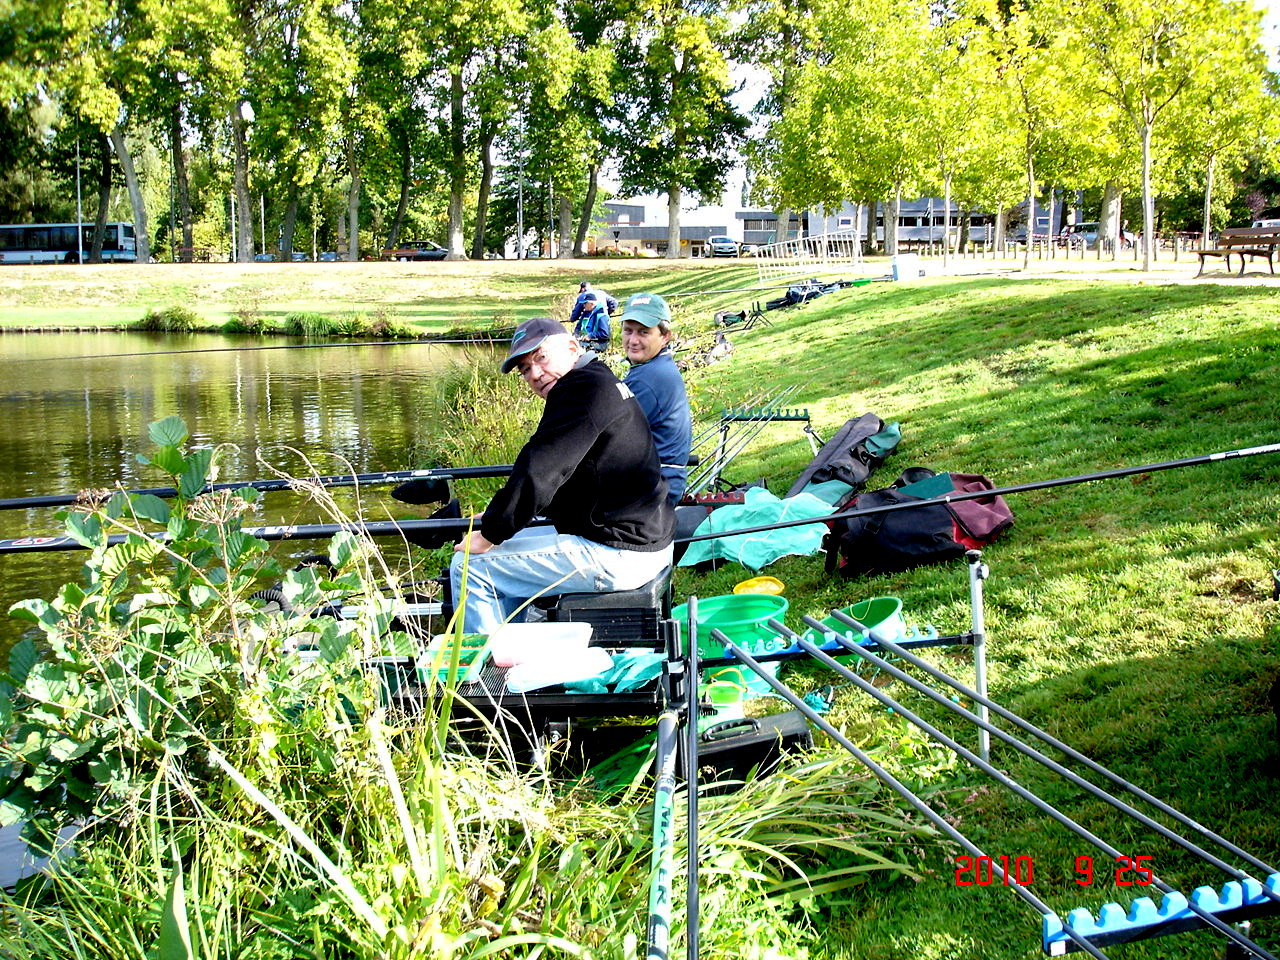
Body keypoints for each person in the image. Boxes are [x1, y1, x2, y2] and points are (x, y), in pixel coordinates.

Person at [450, 317, 675, 637]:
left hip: (620, 552)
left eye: (541, 358)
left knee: (468, 568)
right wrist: (500, 517)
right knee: (506, 546)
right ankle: (515, 651)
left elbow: (539, 470)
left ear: (572, 347)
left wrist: (489, 534)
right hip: (643, 539)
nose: (535, 374)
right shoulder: (597, 378)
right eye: (525, 369)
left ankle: (490, 676)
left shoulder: (579, 391)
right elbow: (571, 474)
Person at [620, 292, 692, 505]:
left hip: (653, 491)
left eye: (643, 332)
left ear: (665, 336)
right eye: (628, 330)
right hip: (657, 482)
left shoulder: (648, 379)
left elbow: (610, 438)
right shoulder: (656, 367)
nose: (633, 340)